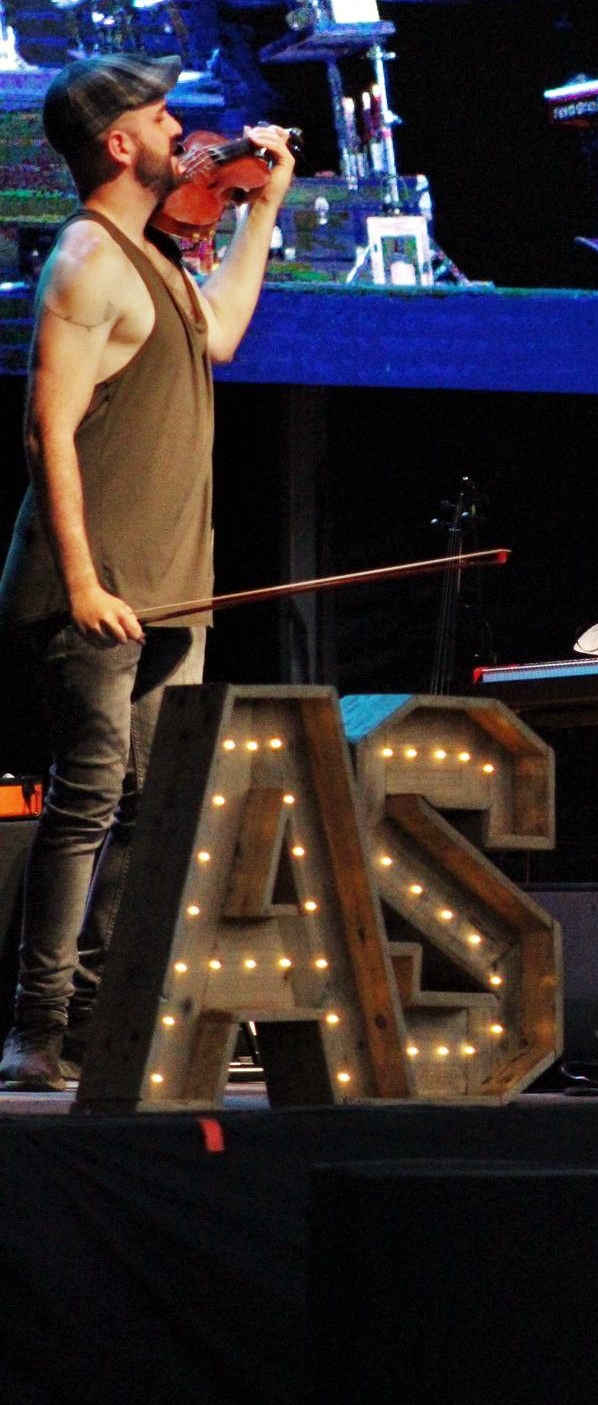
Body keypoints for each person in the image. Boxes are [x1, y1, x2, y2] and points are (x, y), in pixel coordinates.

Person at [0, 53, 295, 1090]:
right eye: (162, 117)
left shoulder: (158, 253)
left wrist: (260, 215)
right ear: (118, 142)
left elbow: (217, 332)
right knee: (88, 801)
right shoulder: (87, 256)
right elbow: (49, 432)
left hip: (176, 583)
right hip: (99, 583)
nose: (185, 131)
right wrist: (81, 580)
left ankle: (107, 1013)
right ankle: (39, 1026)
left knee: (154, 802)